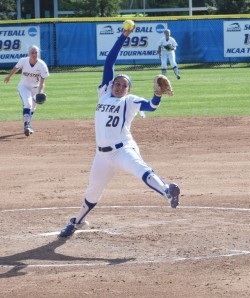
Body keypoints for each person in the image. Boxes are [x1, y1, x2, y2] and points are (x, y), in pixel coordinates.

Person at [59, 26, 181, 238]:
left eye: (123, 85)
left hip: (123, 149)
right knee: (93, 191)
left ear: (128, 89)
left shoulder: (130, 101)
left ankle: (167, 192)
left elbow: (151, 106)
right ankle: (76, 221)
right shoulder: (104, 94)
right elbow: (109, 62)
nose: (118, 87)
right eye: (117, 83)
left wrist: (158, 94)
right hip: (102, 156)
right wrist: (123, 36)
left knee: (140, 169)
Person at [3, 45, 49, 136]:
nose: (34, 54)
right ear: (29, 53)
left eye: (36, 52)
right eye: (32, 52)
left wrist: (40, 92)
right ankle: (27, 125)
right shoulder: (23, 61)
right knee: (28, 104)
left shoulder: (42, 65)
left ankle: (28, 125)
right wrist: (9, 76)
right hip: (24, 86)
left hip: (36, 88)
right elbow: (16, 68)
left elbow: (42, 82)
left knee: (32, 108)